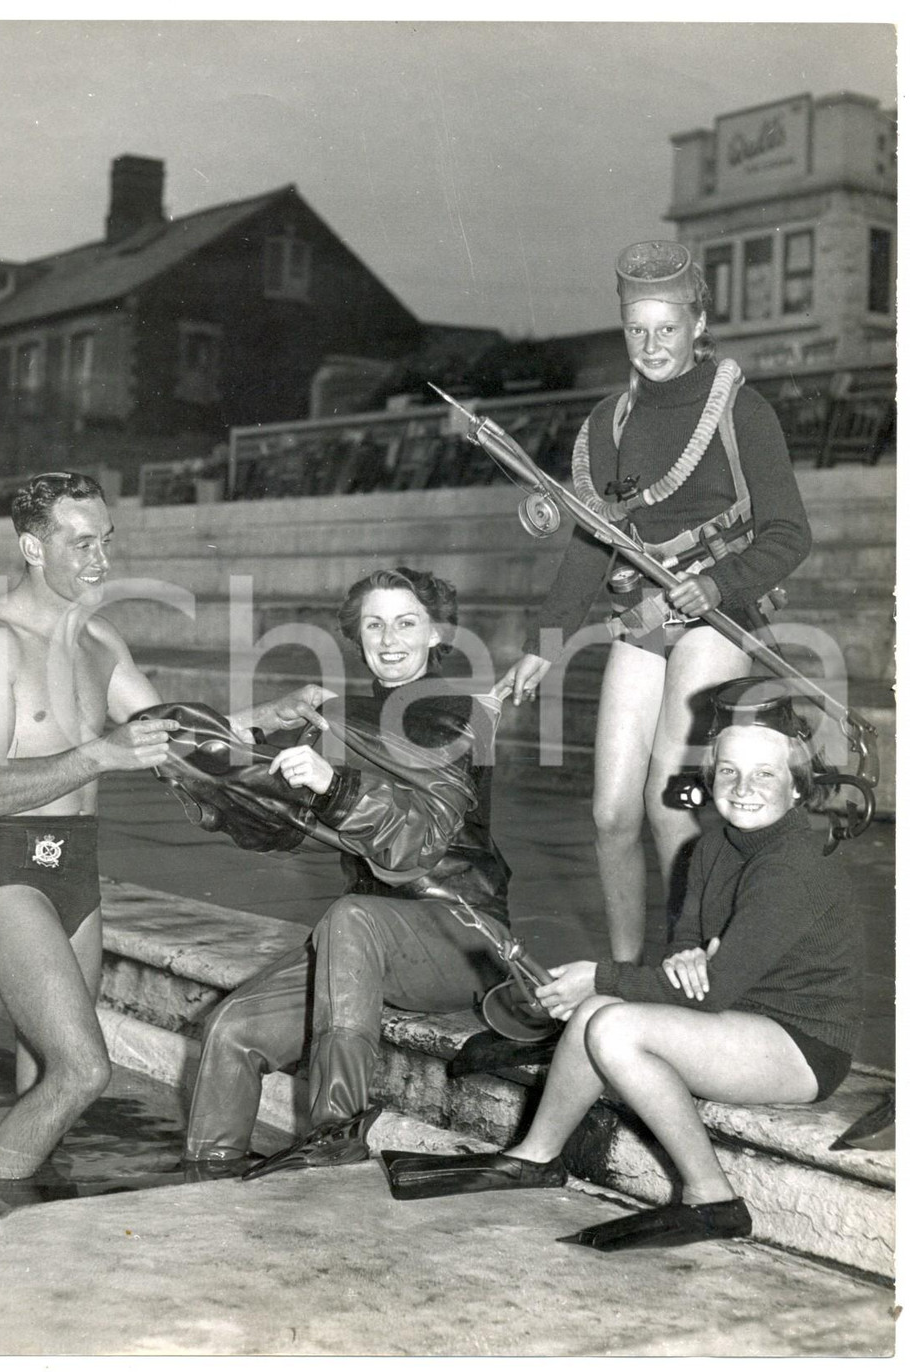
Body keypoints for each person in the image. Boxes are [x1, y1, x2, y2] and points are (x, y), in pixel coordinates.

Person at [0, 470, 322, 1206]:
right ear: (30, 546)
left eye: (106, 540)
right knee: (85, 1071)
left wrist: (264, 720)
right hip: (9, 869)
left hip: (75, 873)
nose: (100, 560)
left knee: (47, 1072)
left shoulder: (98, 639)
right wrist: (100, 754)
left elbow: (178, 738)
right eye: (80, 543)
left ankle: (29, 1217)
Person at [382, 677, 862, 1251]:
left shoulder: (790, 868)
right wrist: (683, 954)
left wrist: (599, 976)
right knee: (597, 1013)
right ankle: (534, 1157)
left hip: (801, 1045)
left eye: (765, 774)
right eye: (728, 771)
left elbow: (712, 992)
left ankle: (714, 1199)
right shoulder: (713, 844)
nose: (743, 788)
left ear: (797, 784)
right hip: (743, 1015)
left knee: (613, 1021)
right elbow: (686, 938)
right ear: (709, 777)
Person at [496, 241, 812, 963]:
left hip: (718, 616)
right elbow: (591, 544)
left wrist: (720, 584)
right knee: (610, 813)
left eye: (667, 327)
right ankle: (629, 973)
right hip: (643, 620)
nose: (651, 345)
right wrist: (542, 648)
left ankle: (689, 965)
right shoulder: (609, 421)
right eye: (636, 330)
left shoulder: (742, 410)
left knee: (670, 806)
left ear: (697, 323)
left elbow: (791, 534)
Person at [183, 566, 512, 1173]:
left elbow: (421, 843)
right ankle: (205, 1178)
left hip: (461, 936)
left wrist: (333, 786)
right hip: (361, 945)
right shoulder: (343, 717)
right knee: (234, 1026)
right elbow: (257, 810)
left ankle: (336, 1130)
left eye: (406, 623)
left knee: (352, 914)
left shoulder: (463, 715)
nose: (390, 639)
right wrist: (254, 736)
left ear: (437, 633)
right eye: (374, 625)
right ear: (357, 638)